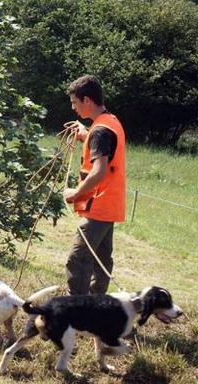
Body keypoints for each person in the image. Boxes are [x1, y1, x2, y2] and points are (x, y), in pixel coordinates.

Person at [63, 75, 126, 295]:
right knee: (101, 260)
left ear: (87, 100)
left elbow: (99, 172)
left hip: (98, 207)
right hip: (110, 206)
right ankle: (98, 307)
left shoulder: (99, 131)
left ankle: (78, 311)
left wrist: (75, 193)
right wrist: (84, 134)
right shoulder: (110, 122)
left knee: (78, 259)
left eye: (75, 102)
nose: (73, 108)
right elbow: (101, 143)